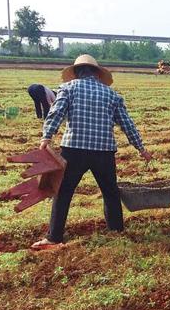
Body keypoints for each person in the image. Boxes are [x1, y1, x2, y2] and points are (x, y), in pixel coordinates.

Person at [31, 55, 153, 250]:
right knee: (110, 193)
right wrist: (142, 149)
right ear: (97, 73)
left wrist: (47, 137)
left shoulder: (68, 89)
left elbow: (56, 113)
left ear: (77, 73)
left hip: (73, 150)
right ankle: (116, 232)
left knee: (63, 193)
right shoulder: (111, 95)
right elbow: (127, 124)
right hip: (103, 152)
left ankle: (54, 238)